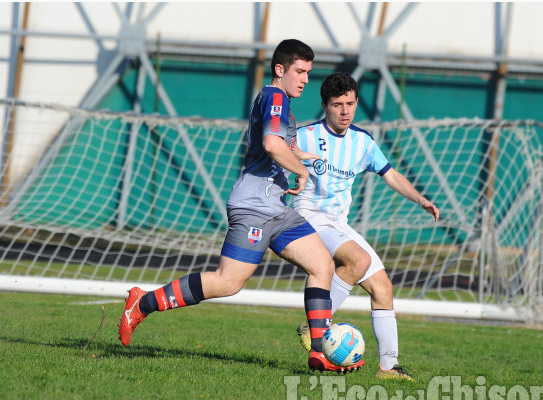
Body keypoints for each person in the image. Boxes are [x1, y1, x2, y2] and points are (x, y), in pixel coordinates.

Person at [118, 40, 364, 373]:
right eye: (300, 71)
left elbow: (280, 145)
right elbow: (271, 143)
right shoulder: (276, 96)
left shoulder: (279, 102)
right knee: (228, 282)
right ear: (280, 70)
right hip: (254, 208)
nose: (306, 79)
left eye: (308, 72)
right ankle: (142, 303)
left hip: (276, 207)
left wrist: (304, 156)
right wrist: (301, 170)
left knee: (323, 266)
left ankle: (319, 351)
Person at [293, 72, 439, 380]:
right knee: (357, 260)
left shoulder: (363, 142)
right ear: (324, 105)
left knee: (383, 287)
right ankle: (316, 323)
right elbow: (274, 151)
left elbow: (390, 174)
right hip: (309, 215)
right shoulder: (304, 135)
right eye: (337, 105)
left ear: (357, 102)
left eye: (350, 103)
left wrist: (420, 199)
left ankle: (388, 367)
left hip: (338, 222)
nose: (345, 111)